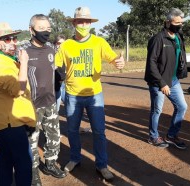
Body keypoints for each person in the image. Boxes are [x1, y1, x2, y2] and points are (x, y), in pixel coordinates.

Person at [55, 7, 125, 181]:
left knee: (99, 131)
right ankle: (75, 158)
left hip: (95, 95)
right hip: (72, 94)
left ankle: (102, 165)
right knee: (72, 130)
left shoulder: (99, 42)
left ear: (91, 23)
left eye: (87, 21)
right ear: (74, 23)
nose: (83, 24)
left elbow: (113, 59)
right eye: (80, 21)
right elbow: (54, 65)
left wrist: (119, 62)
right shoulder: (65, 46)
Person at [0, 22, 37, 186]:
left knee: (5, 161)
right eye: (8, 39)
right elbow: (18, 89)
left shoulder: (6, 59)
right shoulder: (0, 63)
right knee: (24, 163)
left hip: (6, 122)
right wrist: (25, 63)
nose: (14, 42)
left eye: (14, 38)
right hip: (10, 123)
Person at [20, 14, 66, 186]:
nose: (46, 32)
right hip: (31, 106)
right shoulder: (23, 51)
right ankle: (33, 172)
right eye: (41, 28)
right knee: (32, 141)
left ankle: (50, 164)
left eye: (48, 28)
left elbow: (54, 69)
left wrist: (60, 74)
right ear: (31, 30)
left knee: (53, 136)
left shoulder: (51, 49)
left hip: (50, 101)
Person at [144, 8, 188, 149]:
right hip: (158, 82)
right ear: (168, 22)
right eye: (177, 22)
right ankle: (153, 136)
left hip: (173, 80)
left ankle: (171, 135)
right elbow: (151, 63)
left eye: (181, 23)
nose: (179, 25)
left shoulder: (178, 37)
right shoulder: (158, 39)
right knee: (157, 110)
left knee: (182, 106)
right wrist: (162, 83)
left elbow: (180, 56)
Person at [54, 34, 66, 112]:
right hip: (55, 81)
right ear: (55, 43)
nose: (61, 45)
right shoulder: (52, 53)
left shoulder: (67, 53)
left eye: (63, 43)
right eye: (59, 43)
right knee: (57, 98)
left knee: (67, 100)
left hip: (64, 81)